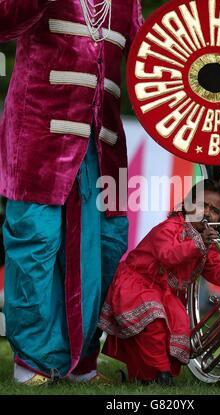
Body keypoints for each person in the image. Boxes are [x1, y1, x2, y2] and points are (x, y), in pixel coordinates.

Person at [0, 0, 143, 385]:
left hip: (104, 147)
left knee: (106, 247)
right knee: (36, 244)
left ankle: (81, 362)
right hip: (37, 142)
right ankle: (33, 360)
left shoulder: (128, 5)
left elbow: (157, 65)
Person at [98, 179, 220, 386]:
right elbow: (167, 255)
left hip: (164, 295)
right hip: (138, 285)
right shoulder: (170, 227)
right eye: (201, 205)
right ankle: (161, 377)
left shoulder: (206, 242)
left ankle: (151, 377)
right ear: (188, 205)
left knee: (174, 330)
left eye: (214, 210)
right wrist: (198, 243)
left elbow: (219, 276)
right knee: (155, 324)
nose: (206, 213)